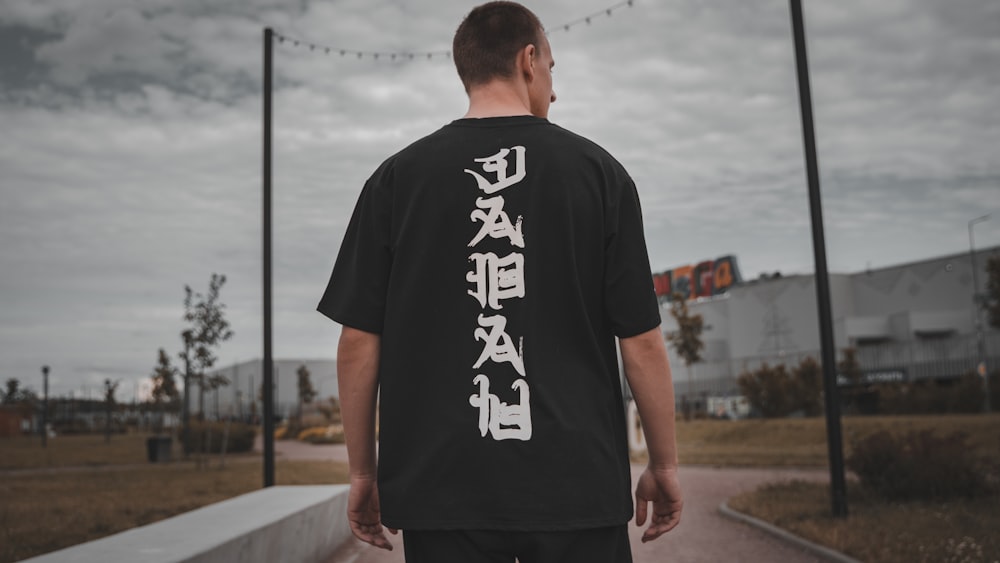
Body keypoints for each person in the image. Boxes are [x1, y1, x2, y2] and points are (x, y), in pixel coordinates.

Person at [317, 2, 682, 561]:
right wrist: (664, 464)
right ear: (529, 59)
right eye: (554, 70)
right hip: (575, 485)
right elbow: (642, 341)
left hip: (441, 487)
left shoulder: (396, 181)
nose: (554, 92)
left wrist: (364, 471)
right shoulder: (599, 175)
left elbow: (357, 342)